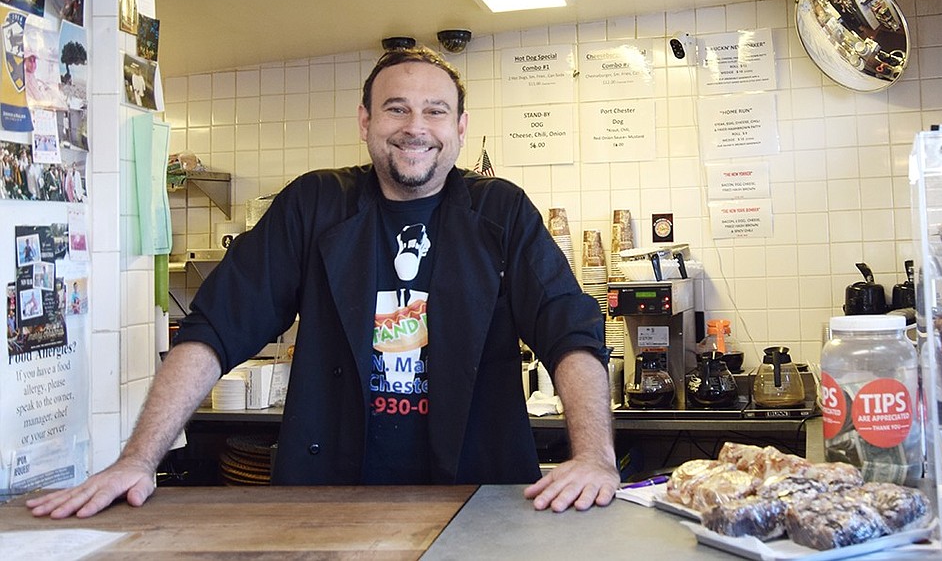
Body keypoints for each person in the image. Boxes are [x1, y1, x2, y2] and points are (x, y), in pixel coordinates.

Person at [27, 46, 619, 519]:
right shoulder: (315, 204)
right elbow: (214, 330)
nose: (416, 127)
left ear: (460, 126)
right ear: (365, 121)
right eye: (396, 108)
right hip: (328, 497)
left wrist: (594, 457)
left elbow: (570, 329)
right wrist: (138, 459)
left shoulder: (502, 212)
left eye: (435, 110)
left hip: (479, 499)